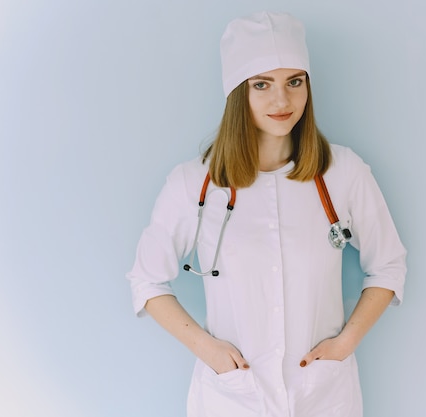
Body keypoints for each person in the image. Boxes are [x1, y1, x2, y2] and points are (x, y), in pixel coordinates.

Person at [127, 11, 407, 417]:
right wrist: (209, 351)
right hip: (232, 396)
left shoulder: (343, 173)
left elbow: (389, 265)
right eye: (262, 84)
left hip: (322, 395)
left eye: (295, 82)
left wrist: (345, 345)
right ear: (238, 92)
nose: (282, 101)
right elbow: (146, 281)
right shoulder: (192, 184)